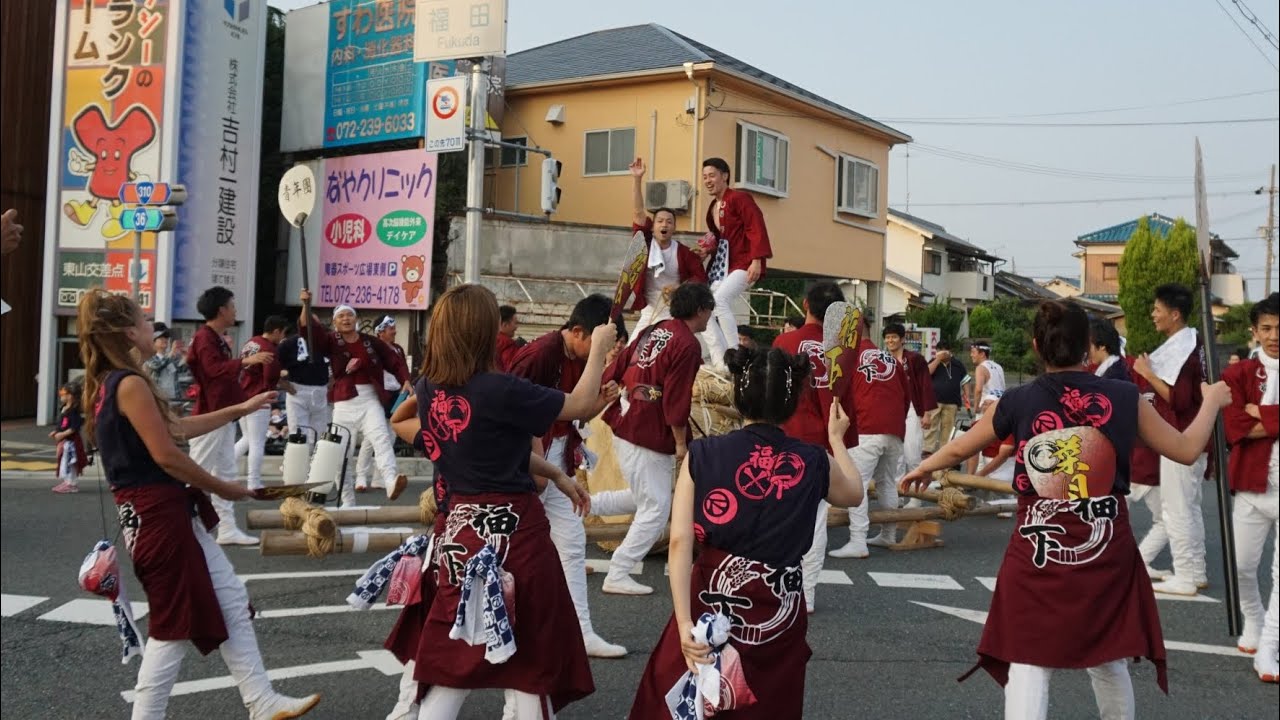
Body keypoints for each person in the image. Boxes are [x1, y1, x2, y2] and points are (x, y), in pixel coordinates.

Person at [902, 299, 1231, 720]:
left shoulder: (1019, 400)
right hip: (1104, 544)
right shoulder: (1125, 396)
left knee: (1028, 657)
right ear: (1086, 347)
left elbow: (962, 445)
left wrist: (923, 468)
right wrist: (1212, 402)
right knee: (1108, 654)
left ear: (1037, 346)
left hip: (1038, 544)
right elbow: (1186, 449)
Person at [76, 289, 320, 720]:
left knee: (229, 598)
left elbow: (179, 428)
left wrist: (240, 407)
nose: (153, 328)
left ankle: (261, 700)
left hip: (160, 517)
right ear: (130, 332)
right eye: (146, 321)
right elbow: (167, 453)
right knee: (172, 626)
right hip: (159, 519)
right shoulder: (129, 384)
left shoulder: (112, 383)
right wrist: (222, 487)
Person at [391, 283, 611, 719]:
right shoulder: (500, 389)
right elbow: (583, 403)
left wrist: (555, 474)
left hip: (461, 533)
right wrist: (602, 347)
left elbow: (486, 448)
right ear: (484, 331)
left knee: (456, 662)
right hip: (516, 536)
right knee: (529, 663)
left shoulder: (431, 387)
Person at [628, 346, 864, 718]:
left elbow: (679, 541)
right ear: (793, 401)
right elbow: (853, 493)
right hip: (778, 606)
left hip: (709, 599)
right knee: (768, 700)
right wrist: (836, 437)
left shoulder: (704, 453)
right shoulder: (813, 459)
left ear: (738, 394)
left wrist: (686, 622)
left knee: (686, 696)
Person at [506, 294, 627, 658]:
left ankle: (580, 631)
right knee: (513, 548)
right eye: (600, 344)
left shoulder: (577, 354)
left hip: (557, 457)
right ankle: (500, 627)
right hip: (529, 459)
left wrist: (603, 398)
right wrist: (532, 460)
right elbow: (511, 408)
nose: (604, 354)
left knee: (571, 544)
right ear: (577, 331)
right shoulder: (541, 353)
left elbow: (575, 413)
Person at [591, 282, 714, 595]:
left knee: (643, 495)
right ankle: (618, 571)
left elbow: (620, 364)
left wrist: (605, 387)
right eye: (709, 311)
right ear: (700, 310)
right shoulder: (687, 344)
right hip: (649, 428)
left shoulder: (655, 328)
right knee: (657, 509)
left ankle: (580, 504)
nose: (710, 317)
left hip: (626, 416)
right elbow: (676, 398)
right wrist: (681, 444)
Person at [771, 281, 858, 612]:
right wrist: (843, 445)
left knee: (778, 513)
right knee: (816, 519)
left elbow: (775, 392)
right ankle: (806, 592)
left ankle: (776, 585)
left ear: (805, 303)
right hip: (824, 440)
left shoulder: (785, 341)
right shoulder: (844, 350)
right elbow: (845, 402)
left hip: (787, 435)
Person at [298, 292, 411, 507]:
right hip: (343, 401)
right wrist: (306, 304)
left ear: (356, 318)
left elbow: (393, 361)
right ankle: (347, 499)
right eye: (341, 316)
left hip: (370, 399)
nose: (346, 319)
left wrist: (405, 379)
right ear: (334, 322)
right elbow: (307, 331)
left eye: (349, 315)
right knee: (342, 453)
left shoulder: (371, 342)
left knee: (381, 438)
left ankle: (390, 480)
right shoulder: (330, 340)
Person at [1132, 283, 1209, 596]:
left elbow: (1178, 400)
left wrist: (1147, 373)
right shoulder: (1191, 343)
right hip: (1192, 436)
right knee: (1189, 507)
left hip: (1179, 438)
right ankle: (1197, 570)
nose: (1153, 315)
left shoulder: (1184, 348)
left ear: (1175, 315)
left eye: (1158, 309)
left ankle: (1186, 576)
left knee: (1176, 508)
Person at [1221, 292, 1278, 682]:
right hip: (1251, 484)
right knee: (1240, 566)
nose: (1275, 335)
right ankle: (1254, 618)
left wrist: (1264, 414)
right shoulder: (1237, 375)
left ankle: (1270, 649)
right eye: (1268, 328)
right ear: (1254, 331)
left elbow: (1251, 423)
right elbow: (1234, 427)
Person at [186, 286, 270, 546]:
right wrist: (246, 361)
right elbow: (212, 370)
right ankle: (183, 525)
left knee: (225, 472)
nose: (235, 310)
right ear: (221, 309)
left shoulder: (215, 337)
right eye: (232, 306)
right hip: (210, 415)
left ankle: (227, 528)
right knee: (196, 472)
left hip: (221, 413)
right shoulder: (205, 337)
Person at [1090, 317, 1167, 579]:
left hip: (1131, 459)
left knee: (1161, 518)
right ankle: (1130, 561)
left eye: (1088, 344)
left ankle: (1133, 561)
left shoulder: (1116, 374)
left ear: (1100, 346)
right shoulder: (1112, 371)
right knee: (1112, 514)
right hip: (1128, 459)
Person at [829, 313, 910, 557]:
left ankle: (858, 540)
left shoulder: (846, 357)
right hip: (894, 428)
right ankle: (888, 534)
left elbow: (837, 397)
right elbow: (905, 396)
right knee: (887, 482)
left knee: (858, 483)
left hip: (865, 427)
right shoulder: (891, 358)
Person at [698, 157, 772, 372]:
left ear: (725, 176)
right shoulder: (714, 206)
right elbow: (718, 237)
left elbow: (755, 226)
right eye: (704, 177)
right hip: (723, 265)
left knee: (719, 301)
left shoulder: (740, 198)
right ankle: (720, 360)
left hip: (744, 262)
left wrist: (757, 260)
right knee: (703, 308)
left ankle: (735, 354)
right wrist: (706, 249)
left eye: (712, 175)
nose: (708, 181)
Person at [623, 158, 709, 342]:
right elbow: (638, 213)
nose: (665, 224)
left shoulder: (684, 253)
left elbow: (700, 279)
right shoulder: (644, 245)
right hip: (650, 309)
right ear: (652, 226)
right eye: (660, 221)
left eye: (669, 222)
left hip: (675, 310)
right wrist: (637, 179)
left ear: (674, 228)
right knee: (633, 349)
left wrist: (679, 288)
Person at [233, 315, 289, 491]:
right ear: (276, 331)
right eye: (282, 334)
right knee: (257, 442)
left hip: (243, 396)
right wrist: (283, 377)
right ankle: (253, 481)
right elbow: (270, 377)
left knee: (247, 439)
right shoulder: (269, 349)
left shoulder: (251, 342)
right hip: (258, 398)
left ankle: (220, 473)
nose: (283, 338)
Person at [356, 315, 408, 492]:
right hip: (379, 394)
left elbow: (403, 372)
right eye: (390, 329)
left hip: (397, 395)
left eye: (393, 328)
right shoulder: (373, 350)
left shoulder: (398, 349)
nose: (394, 331)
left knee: (390, 437)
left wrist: (407, 387)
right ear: (380, 332)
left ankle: (379, 479)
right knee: (372, 439)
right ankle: (361, 476)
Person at [883, 323, 937, 480]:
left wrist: (927, 413)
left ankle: (916, 498)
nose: (890, 340)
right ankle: (897, 497)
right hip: (891, 410)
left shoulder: (914, 359)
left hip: (912, 408)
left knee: (912, 453)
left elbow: (925, 385)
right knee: (895, 456)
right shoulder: (884, 360)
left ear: (902, 339)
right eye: (887, 337)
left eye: (893, 337)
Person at [277, 327, 331, 455]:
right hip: (297, 391)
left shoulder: (326, 341)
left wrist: (329, 384)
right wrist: (285, 385)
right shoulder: (289, 343)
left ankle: (314, 469)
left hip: (320, 391)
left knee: (319, 435)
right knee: (298, 435)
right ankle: (296, 469)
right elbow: (272, 367)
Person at [965, 341, 1006, 474]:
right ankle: (984, 476)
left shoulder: (981, 368)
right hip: (1000, 404)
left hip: (986, 406)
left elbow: (978, 389)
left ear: (982, 353)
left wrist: (975, 407)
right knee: (992, 441)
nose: (971, 355)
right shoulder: (998, 366)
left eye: (973, 352)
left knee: (974, 443)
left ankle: (971, 479)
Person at [926, 340, 966, 454]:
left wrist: (965, 396)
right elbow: (927, 373)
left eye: (945, 350)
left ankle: (944, 452)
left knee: (948, 428)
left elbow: (965, 380)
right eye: (939, 350)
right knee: (931, 427)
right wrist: (938, 359)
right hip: (934, 400)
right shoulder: (933, 362)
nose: (942, 353)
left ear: (950, 351)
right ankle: (928, 450)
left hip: (952, 401)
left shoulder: (957, 364)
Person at [50, 382, 86, 494]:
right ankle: (67, 482)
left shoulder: (74, 411)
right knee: (65, 462)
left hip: (71, 442)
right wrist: (56, 431)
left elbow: (74, 427)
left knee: (71, 462)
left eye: (62, 393)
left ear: (70, 396)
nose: (60, 395)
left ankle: (72, 483)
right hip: (65, 441)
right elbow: (62, 424)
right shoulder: (64, 408)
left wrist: (62, 434)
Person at [144, 322, 184, 404]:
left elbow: (181, 370)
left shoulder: (170, 356)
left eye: (166, 337)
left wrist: (185, 357)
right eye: (161, 337)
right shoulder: (149, 357)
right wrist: (171, 353)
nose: (165, 340)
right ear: (153, 340)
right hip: (159, 401)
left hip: (175, 400)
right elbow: (157, 366)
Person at [495, 305, 521, 372]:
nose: (516, 327)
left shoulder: (488, 342)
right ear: (505, 325)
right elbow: (513, 371)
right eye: (515, 323)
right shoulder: (508, 345)